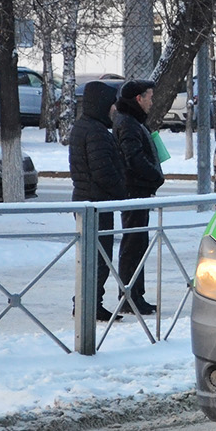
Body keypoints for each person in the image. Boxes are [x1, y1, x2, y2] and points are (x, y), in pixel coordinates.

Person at [68, 80, 127, 322]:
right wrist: (122, 192)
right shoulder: (96, 132)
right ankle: (89, 304)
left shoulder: (85, 127)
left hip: (87, 200)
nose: (115, 109)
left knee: (91, 257)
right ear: (102, 104)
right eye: (112, 104)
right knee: (99, 258)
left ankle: (88, 302)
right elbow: (103, 172)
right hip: (95, 203)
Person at [112, 79, 164, 316]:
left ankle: (134, 294)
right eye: (149, 97)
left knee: (137, 243)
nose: (151, 102)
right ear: (138, 99)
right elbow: (133, 159)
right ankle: (130, 296)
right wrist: (155, 176)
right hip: (135, 192)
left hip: (138, 191)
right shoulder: (128, 124)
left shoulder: (132, 121)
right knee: (134, 244)